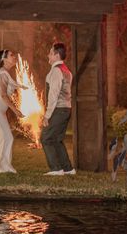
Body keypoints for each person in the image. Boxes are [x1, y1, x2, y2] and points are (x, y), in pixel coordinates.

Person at [40, 42, 75, 176]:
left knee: (46, 138)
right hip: (66, 109)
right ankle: (68, 169)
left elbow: (53, 94)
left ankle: (56, 169)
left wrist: (47, 115)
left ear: (56, 54)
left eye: (50, 53)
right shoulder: (67, 71)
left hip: (58, 109)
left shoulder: (56, 71)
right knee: (57, 139)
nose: (48, 55)